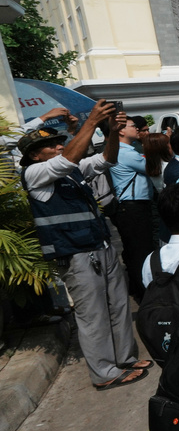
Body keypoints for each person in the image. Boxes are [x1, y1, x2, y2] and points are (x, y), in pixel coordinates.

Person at [19, 101, 151, 390]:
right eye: (50, 146)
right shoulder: (34, 175)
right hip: (75, 253)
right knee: (93, 315)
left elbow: (106, 159)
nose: (57, 147)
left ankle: (124, 360)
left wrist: (113, 132)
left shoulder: (71, 170)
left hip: (99, 245)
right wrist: (91, 121)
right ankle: (104, 374)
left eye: (58, 143)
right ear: (33, 155)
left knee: (117, 305)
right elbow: (66, 159)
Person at [105, 115, 156, 301]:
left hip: (132, 207)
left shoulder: (125, 150)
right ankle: (146, 295)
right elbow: (154, 168)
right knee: (140, 252)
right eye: (133, 126)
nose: (137, 129)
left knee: (135, 250)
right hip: (133, 207)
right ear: (120, 130)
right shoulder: (124, 152)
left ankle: (138, 289)